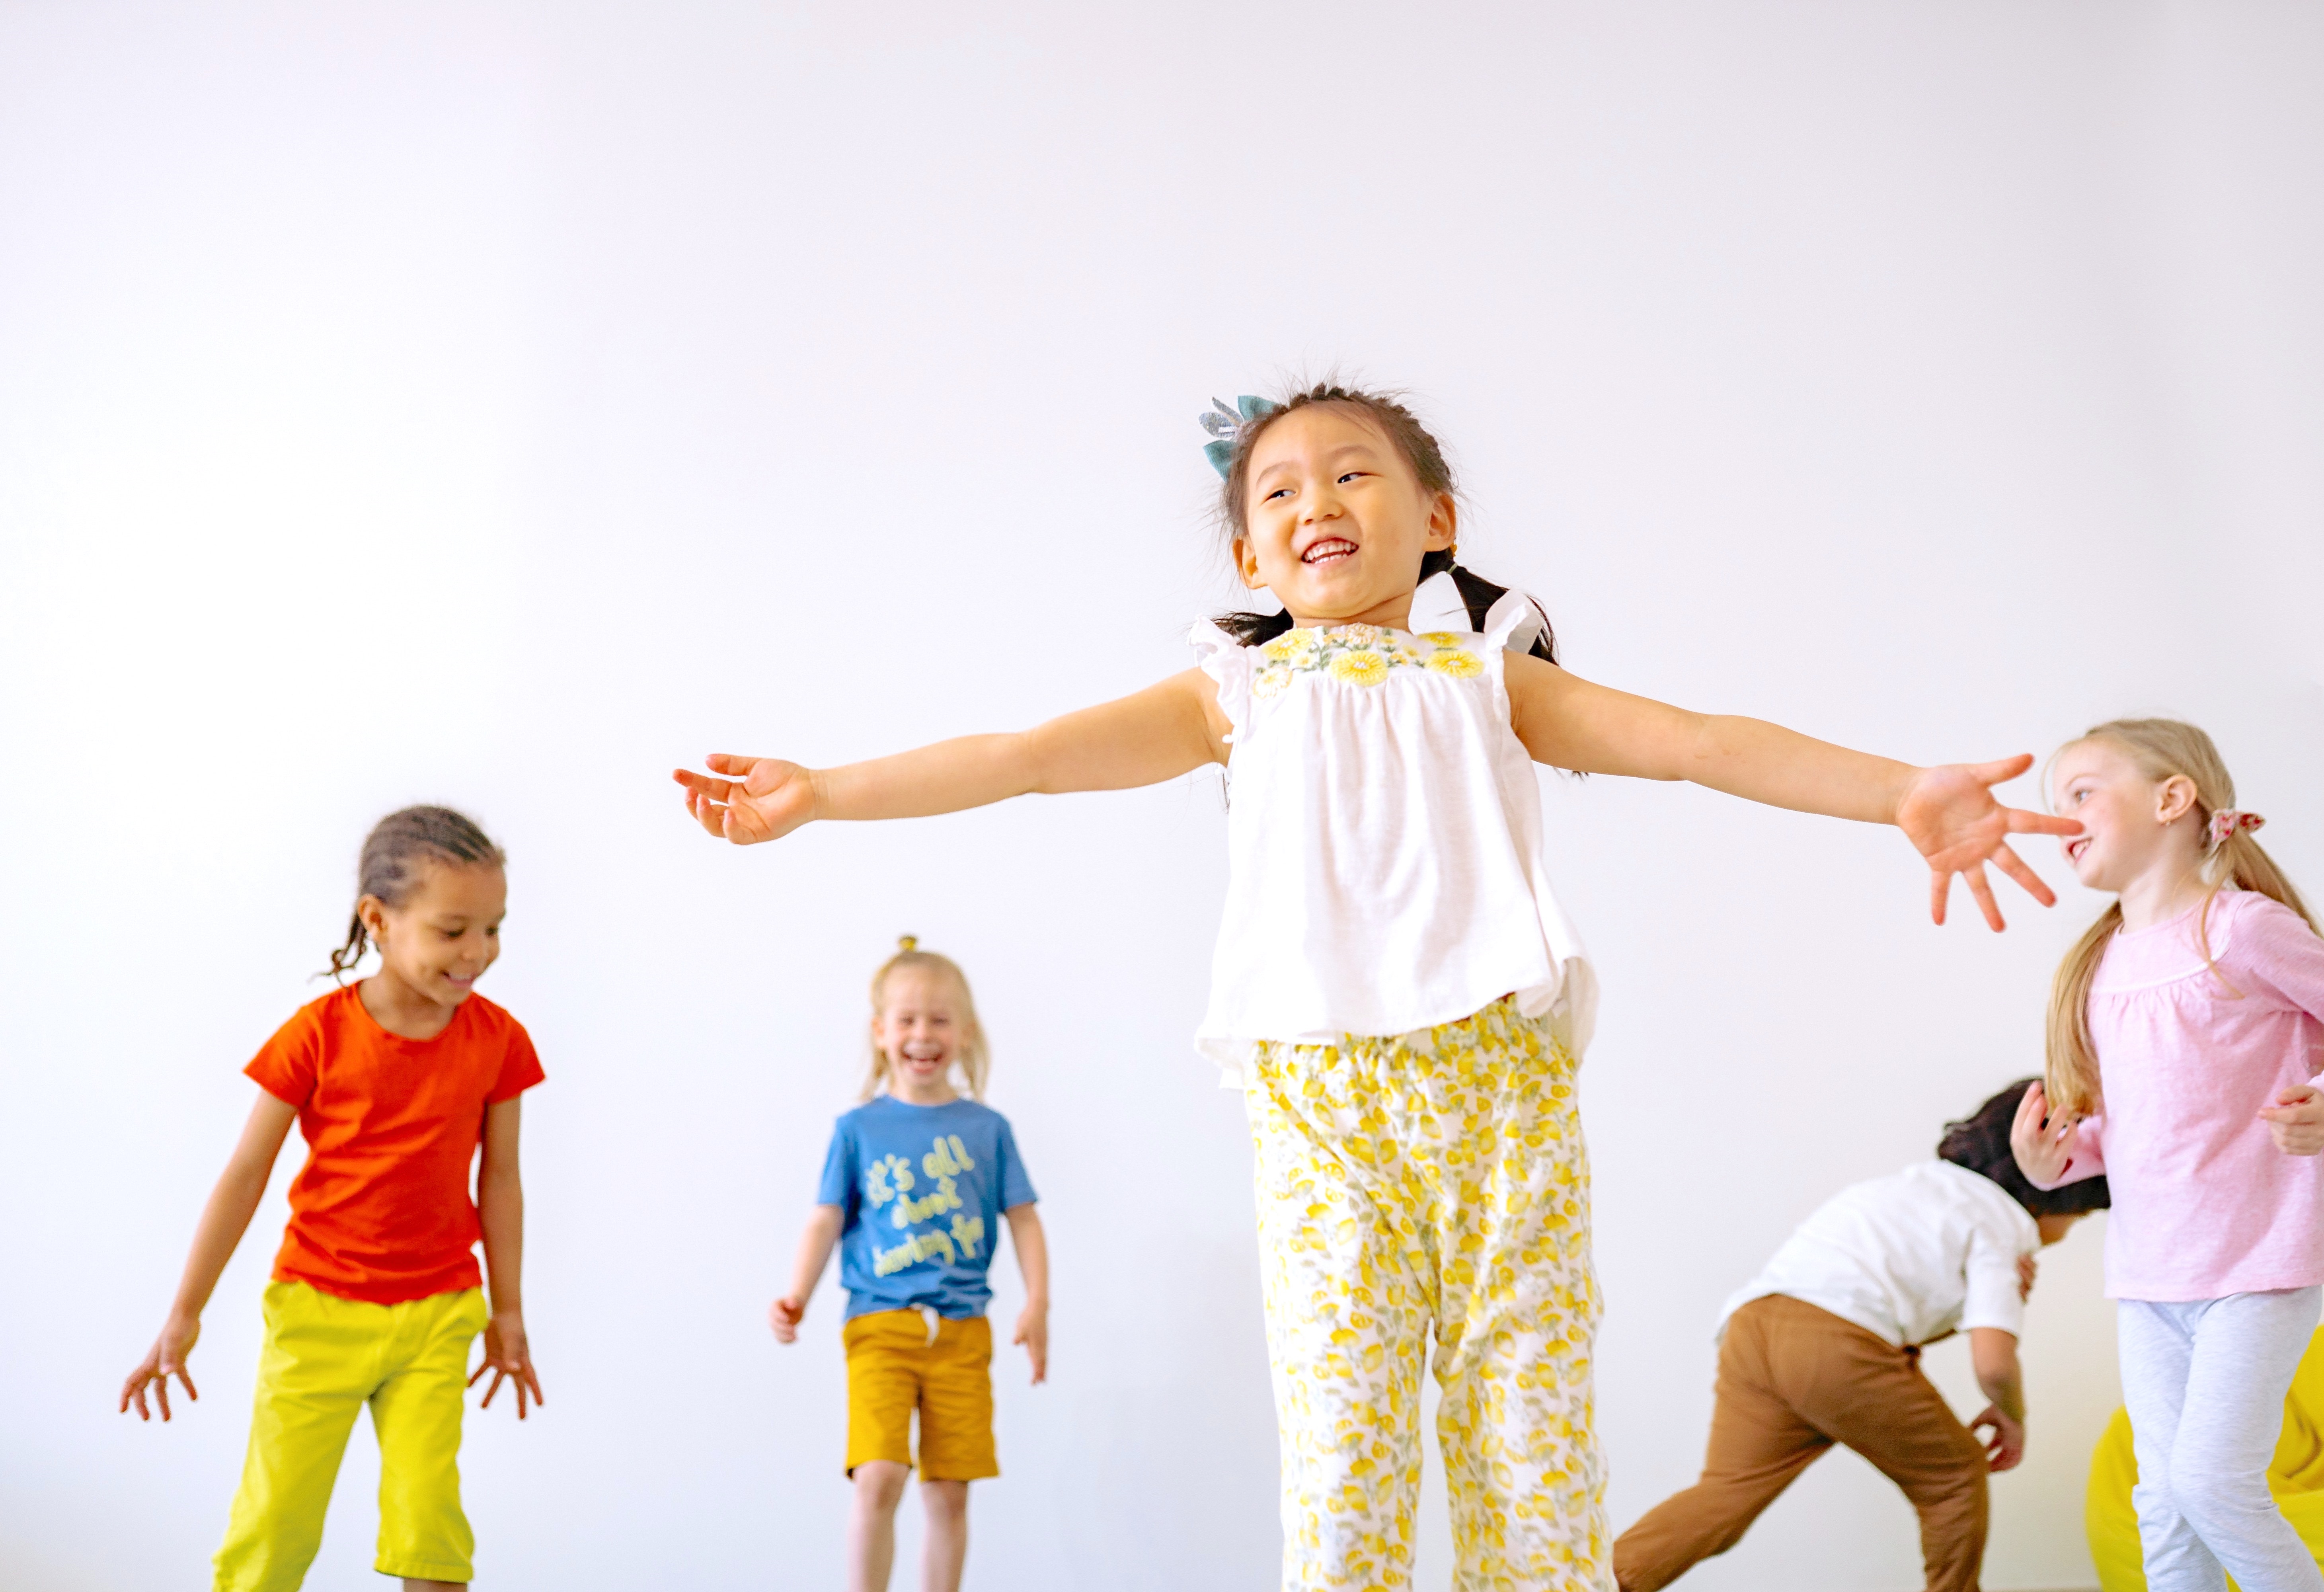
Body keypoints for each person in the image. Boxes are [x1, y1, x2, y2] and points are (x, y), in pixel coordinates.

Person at [676, 380, 2078, 1591]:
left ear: (1437, 517)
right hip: (1324, 1116)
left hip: (1502, 1105)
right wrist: (826, 793)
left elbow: (1696, 742)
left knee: (1532, 1460)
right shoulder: (1233, 695)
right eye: (1280, 490)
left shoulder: (1491, 679)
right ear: (1250, 551)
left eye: (1354, 474)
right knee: (1344, 1461)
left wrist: (1899, 791)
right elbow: (1028, 756)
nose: (1318, 503)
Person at [119, 806, 545, 1592]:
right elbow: (245, 1173)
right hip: (317, 1310)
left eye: (493, 928)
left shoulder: (501, 1039)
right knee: (275, 1526)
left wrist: (509, 1311)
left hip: (437, 1314)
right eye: (453, 930)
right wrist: (185, 1313)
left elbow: (502, 1179)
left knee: (431, 1528)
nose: (479, 952)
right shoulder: (316, 1034)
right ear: (377, 920)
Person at [2013, 718, 2324, 1592]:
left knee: (2214, 1484)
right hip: (2150, 1278)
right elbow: (2136, 1127)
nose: (2063, 818)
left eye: (2081, 794)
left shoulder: (2245, 929)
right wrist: (2050, 1163)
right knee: (2163, 1502)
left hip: (2258, 1265)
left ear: (2172, 799)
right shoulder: (2099, 964)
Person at [1612, 1079, 2110, 1592]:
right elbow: (1994, 1365)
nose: (2067, 1233)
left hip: (1753, 1326)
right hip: (1834, 1345)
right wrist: (2012, 1416)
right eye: (2079, 1217)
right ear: (2057, 1195)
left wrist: (1975, 1300)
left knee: (1726, 1492)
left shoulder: (1915, 1186)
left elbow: (1890, 1301)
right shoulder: (2001, 1227)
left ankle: (1591, 1582)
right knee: (1955, 1475)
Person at [770, 939, 1047, 1592]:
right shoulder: (858, 1129)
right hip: (880, 1327)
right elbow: (825, 1218)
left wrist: (1038, 1302)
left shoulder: (988, 1129)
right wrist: (797, 1293)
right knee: (880, 1475)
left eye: (940, 1020)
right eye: (908, 1020)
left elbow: (1024, 1218)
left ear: (966, 1032)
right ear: (881, 1032)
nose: (923, 1035)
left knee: (950, 1491)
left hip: (962, 1333)